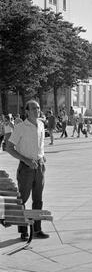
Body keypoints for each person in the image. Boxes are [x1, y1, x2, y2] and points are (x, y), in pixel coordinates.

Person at [6, 100, 49, 240]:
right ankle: (23, 230)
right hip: (26, 168)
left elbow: (40, 143)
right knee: (23, 199)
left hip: (39, 167)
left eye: (38, 108)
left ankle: (37, 229)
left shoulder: (41, 124)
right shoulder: (20, 127)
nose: (37, 110)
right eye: (34, 108)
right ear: (27, 111)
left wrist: (42, 156)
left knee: (38, 199)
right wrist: (25, 160)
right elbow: (9, 147)